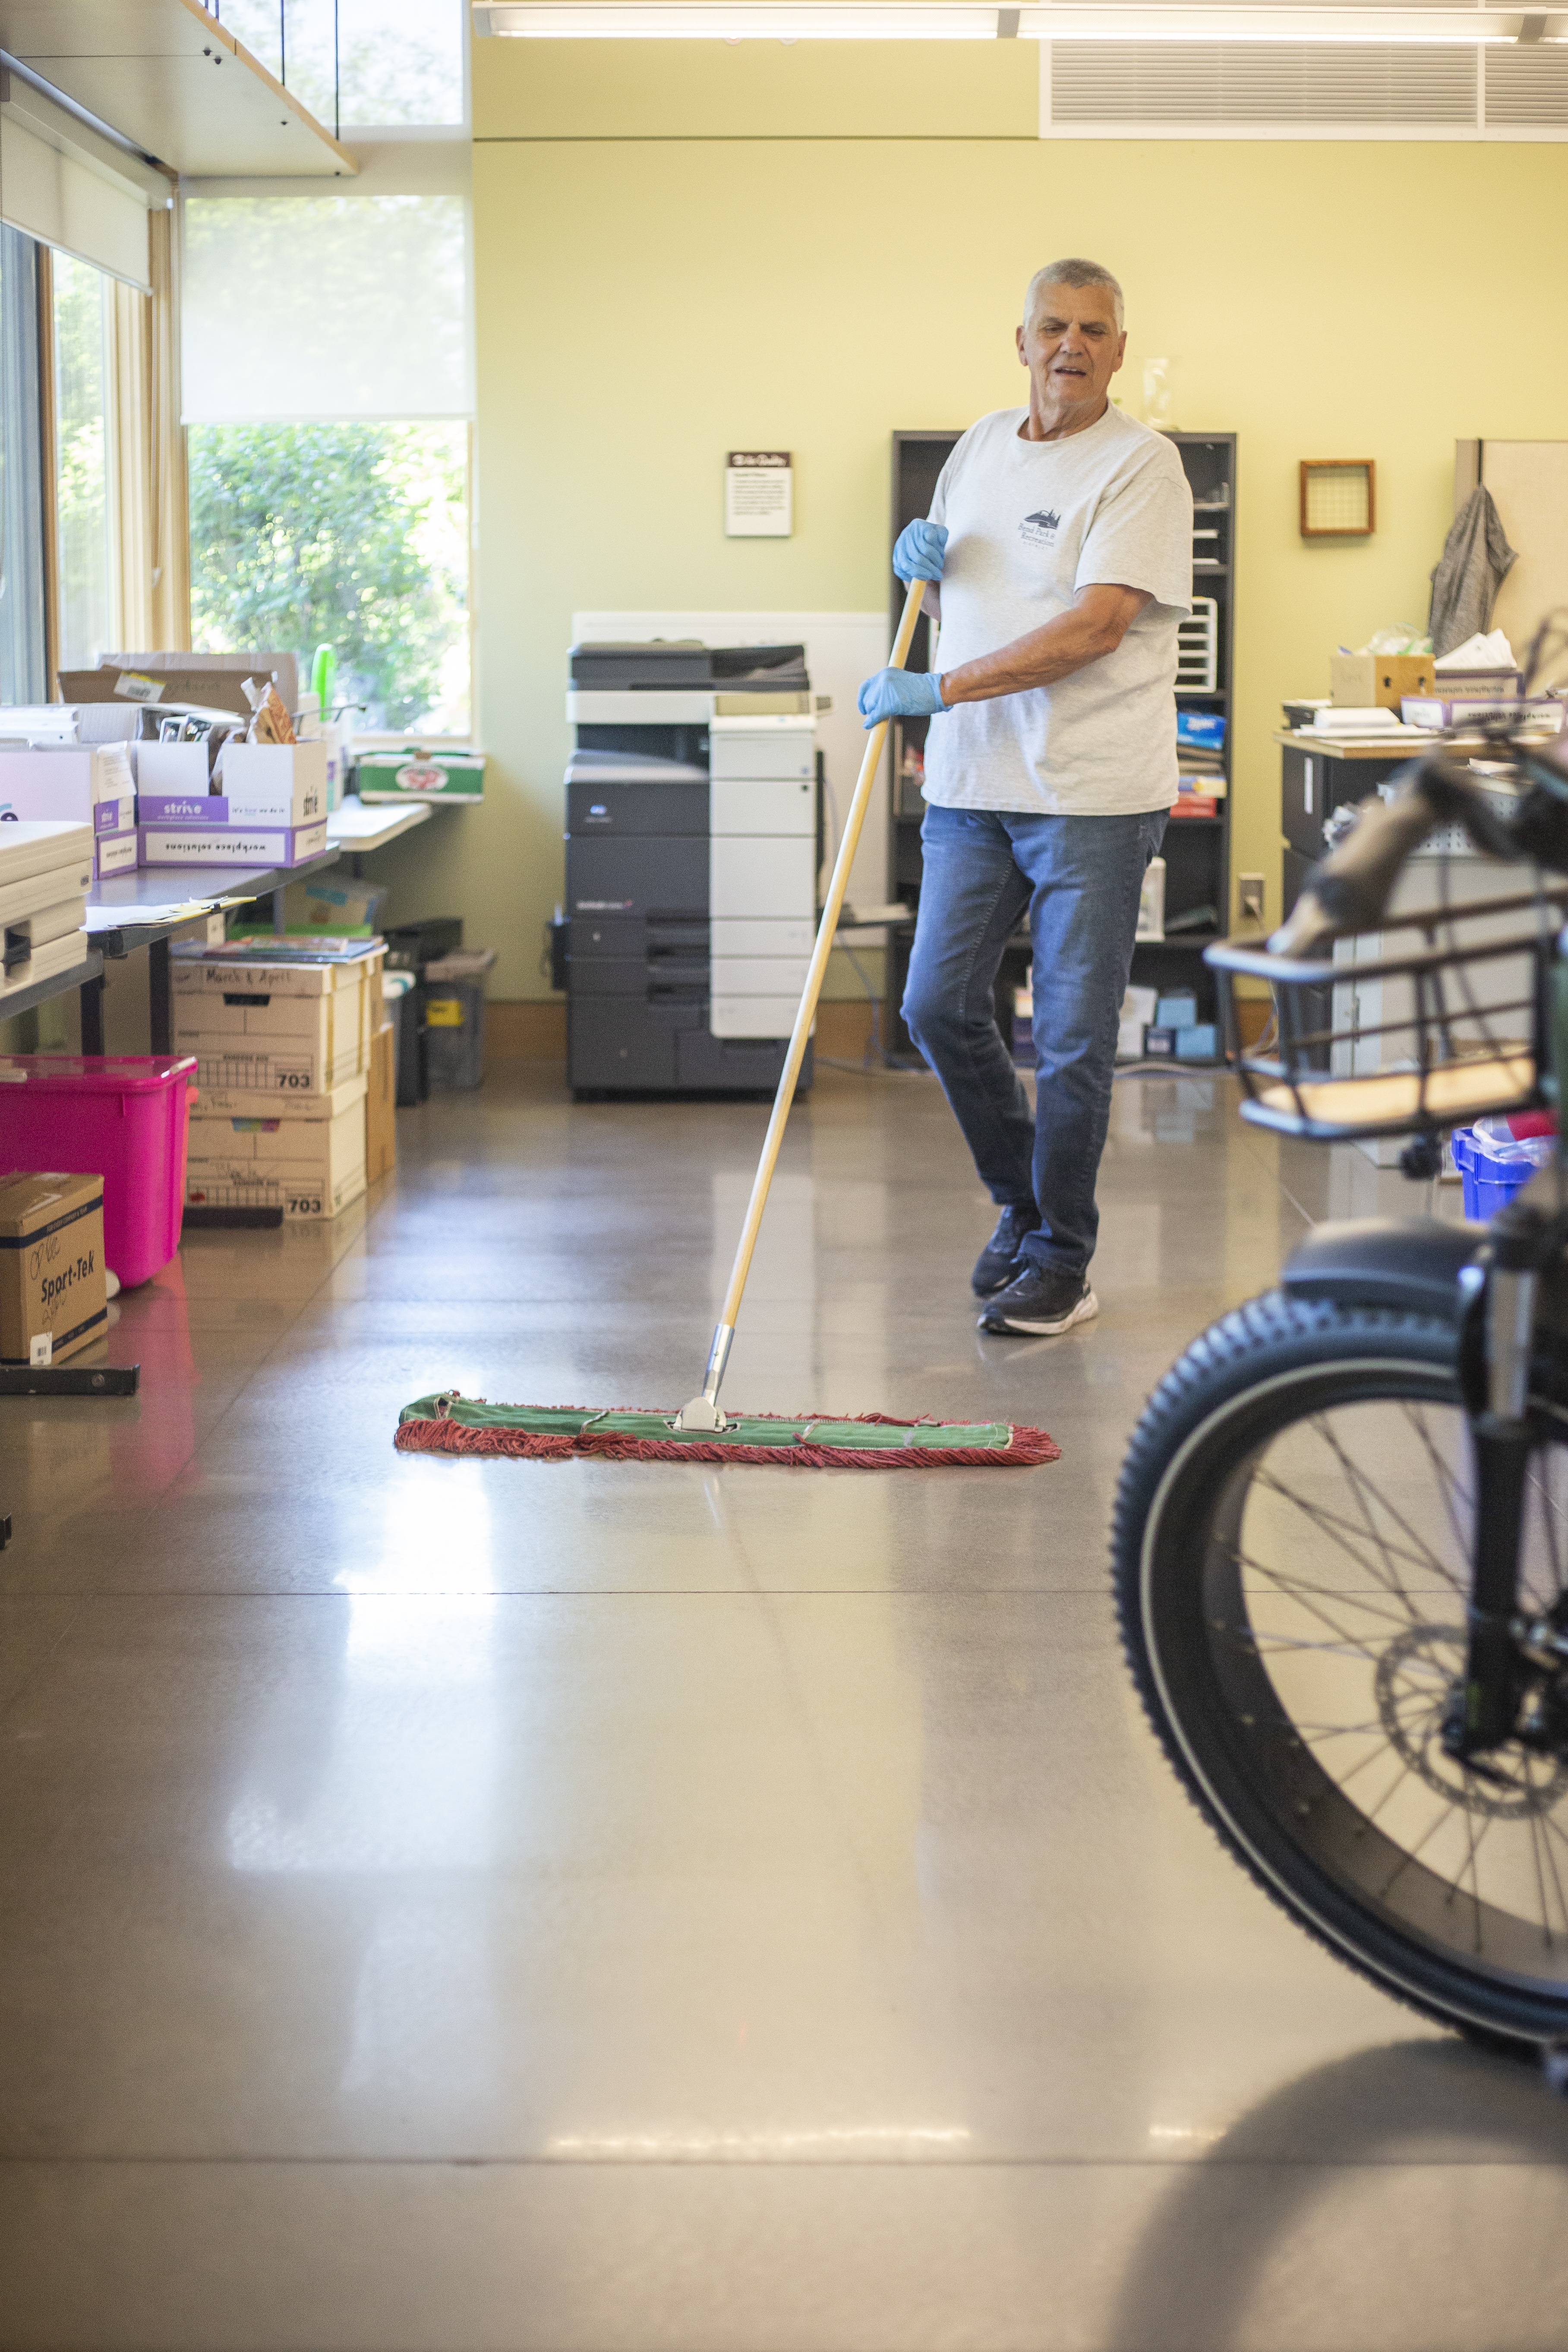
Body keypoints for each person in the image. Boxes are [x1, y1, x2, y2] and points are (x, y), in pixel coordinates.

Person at [857, 258, 1193, 1337]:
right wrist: (917, 555)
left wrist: (936, 688)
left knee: (1073, 1038)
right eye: (1052, 325)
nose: (1070, 346)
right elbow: (957, 582)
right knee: (935, 1004)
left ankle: (1061, 1258)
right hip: (969, 783)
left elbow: (1095, 628)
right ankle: (1021, 1204)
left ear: (1117, 351)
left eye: (1093, 330)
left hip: (1090, 793)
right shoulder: (978, 443)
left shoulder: (1142, 468)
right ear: (1020, 340)